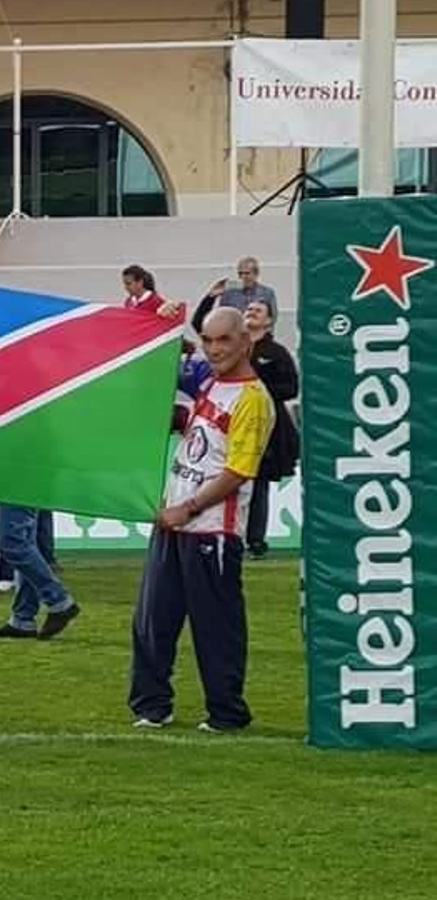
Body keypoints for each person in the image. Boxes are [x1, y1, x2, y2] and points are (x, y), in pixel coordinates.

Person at [128, 307, 275, 733]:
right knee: (153, 620)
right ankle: (152, 705)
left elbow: (238, 470)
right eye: (208, 341)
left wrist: (188, 508)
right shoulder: (211, 382)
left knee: (215, 627)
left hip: (212, 527)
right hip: (173, 521)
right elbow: (194, 422)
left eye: (223, 340)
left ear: (245, 342)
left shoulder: (253, 399)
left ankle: (227, 712)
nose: (214, 349)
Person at [242, 300, 299, 558]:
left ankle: (255, 541)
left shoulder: (276, 352)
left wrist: (259, 392)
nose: (251, 312)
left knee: (258, 484)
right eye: (248, 309)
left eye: (258, 310)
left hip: (267, 426)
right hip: (233, 422)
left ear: (268, 320)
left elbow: (291, 388)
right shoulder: (235, 347)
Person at [0, 505, 81, 640]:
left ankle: (58, 600)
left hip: (15, 486)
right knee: (25, 542)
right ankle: (23, 619)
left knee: (13, 543)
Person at [204, 255, 279, 321]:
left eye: (247, 273)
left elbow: (272, 318)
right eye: (240, 273)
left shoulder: (267, 293)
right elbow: (222, 317)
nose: (243, 277)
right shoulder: (229, 294)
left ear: (256, 274)